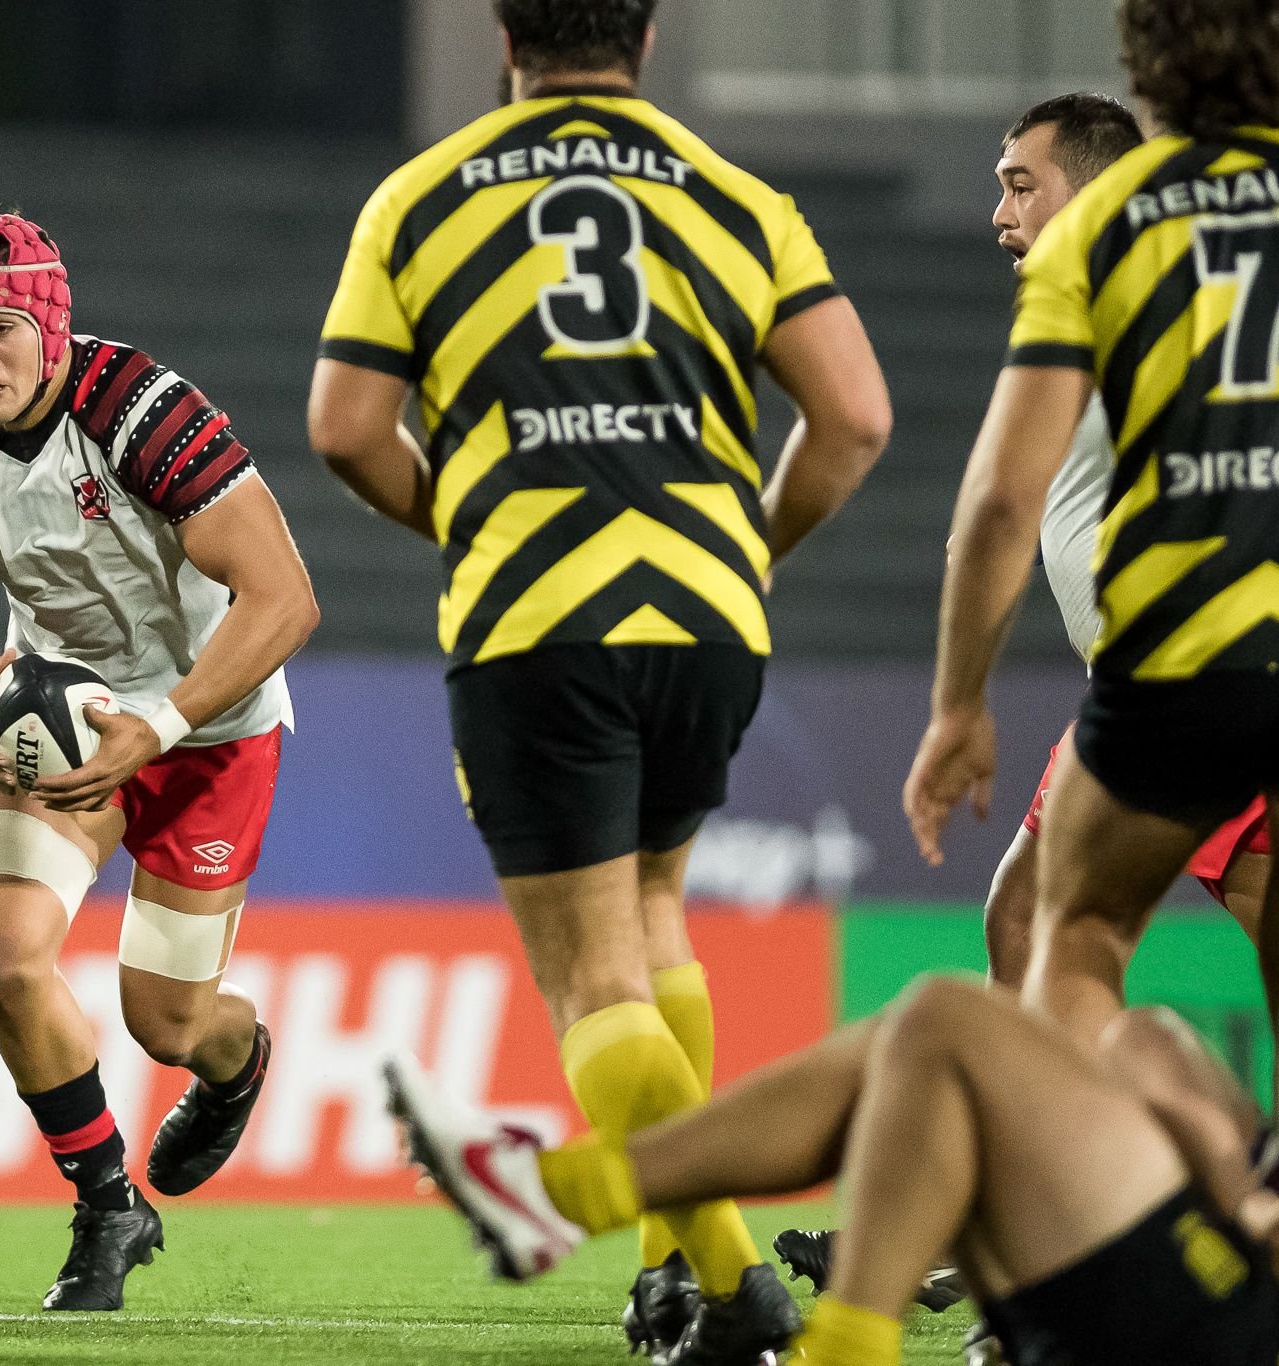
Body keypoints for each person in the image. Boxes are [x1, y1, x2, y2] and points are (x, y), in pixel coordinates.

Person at [308, 1, 890, 1359]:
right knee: (656, 915)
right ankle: (667, 1274)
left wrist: (471, 518)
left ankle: (737, 1289)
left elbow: (345, 426)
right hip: (706, 616)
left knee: (591, 981)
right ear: (646, 32)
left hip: (538, 617)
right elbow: (855, 414)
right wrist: (744, 542)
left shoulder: (423, 196)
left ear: (506, 33)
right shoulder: (740, 198)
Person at [905, 0, 1279, 1129]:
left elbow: (994, 499)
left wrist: (956, 704)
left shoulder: (1110, 227)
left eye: (1018, 185)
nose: (1002, 215)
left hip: (1175, 649)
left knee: (1070, 936)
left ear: (1142, 76)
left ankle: (1070, 1243)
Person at [0, 190, 318, 1311]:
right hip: (55, 721)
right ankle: (107, 1203)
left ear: (50, 326)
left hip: (208, 730)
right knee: (2, 955)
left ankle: (235, 1058)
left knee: (167, 1023)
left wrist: (156, 724)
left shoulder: (143, 410)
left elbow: (285, 597)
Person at [386, 974, 1279, 1366]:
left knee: (944, 1029)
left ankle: (564, 1197)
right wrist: (1232, 1169)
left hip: (1272, 1327)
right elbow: (1143, 1043)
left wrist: (1257, 1194)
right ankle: (558, 1193)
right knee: (917, 1052)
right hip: (1240, 1260)